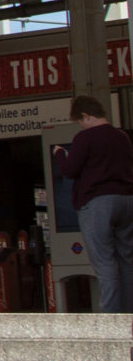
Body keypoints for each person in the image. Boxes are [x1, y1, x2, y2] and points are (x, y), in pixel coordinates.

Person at [56, 95, 133, 313]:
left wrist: (60, 155)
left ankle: (109, 319)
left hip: (98, 203)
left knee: (104, 262)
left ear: (86, 116)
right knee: (126, 261)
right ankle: (129, 315)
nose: (80, 125)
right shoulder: (122, 137)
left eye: (79, 121)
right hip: (127, 200)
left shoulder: (85, 137)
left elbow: (70, 170)